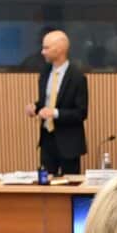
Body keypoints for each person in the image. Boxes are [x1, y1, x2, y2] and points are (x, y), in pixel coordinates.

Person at [24, 30, 88, 175]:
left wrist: (55, 113)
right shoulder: (45, 73)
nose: (42, 52)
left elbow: (81, 113)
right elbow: (45, 102)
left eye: (46, 48)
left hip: (69, 142)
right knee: (45, 183)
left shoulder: (77, 77)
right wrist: (35, 107)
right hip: (47, 140)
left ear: (59, 50)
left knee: (70, 187)